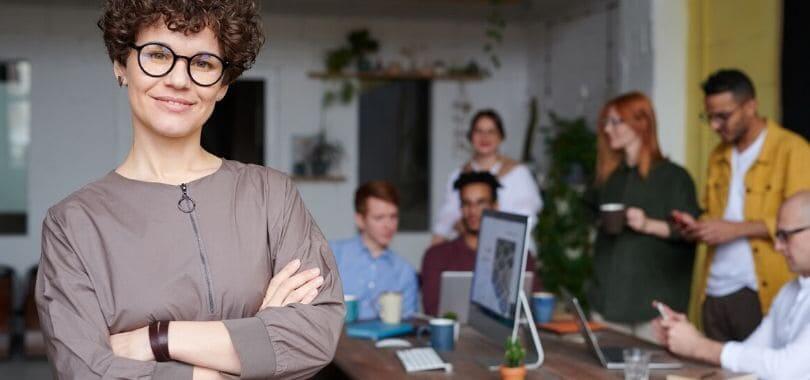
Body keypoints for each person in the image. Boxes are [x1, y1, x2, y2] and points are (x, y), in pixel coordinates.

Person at [35, 1, 343, 379]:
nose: (179, 80)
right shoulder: (73, 224)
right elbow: (83, 372)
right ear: (120, 64)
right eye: (158, 54)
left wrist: (156, 339)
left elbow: (314, 337)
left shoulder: (272, 196)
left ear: (223, 84)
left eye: (203, 63)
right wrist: (256, 346)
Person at [672, 69, 810, 342]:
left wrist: (735, 230)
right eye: (709, 117)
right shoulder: (718, 156)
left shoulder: (792, 150)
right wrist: (699, 228)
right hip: (713, 290)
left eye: (723, 116)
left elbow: (802, 221)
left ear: (751, 107)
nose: (714, 126)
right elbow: (716, 215)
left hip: (759, 291)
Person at [655, 191, 810, 380]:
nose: (777, 246)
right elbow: (749, 352)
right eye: (777, 236)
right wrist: (686, 338)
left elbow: (786, 370)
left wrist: (699, 347)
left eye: (786, 236)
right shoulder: (789, 292)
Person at [586, 92, 700, 342]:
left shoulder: (674, 177)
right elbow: (590, 215)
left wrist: (647, 224)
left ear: (642, 123)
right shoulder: (608, 178)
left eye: (616, 122)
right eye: (606, 122)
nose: (607, 129)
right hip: (607, 303)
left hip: (652, 309)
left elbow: (692, 232)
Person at [421, 171, 537, 316]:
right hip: (456, 335)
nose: (473, 211)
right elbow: (432, 311)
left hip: (504, 336)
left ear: (495, 206)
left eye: (481, 203)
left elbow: (533, 311)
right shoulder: (437, 255)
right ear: (461, 209)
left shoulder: (520, 256)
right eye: (466, 203)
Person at [431, 109, 542, 245]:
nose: (484, 137)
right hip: (469, 249)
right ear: (471, 136)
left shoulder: (518, 173)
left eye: (491, 131)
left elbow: (527, 217)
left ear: (501, 137)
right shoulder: (458, 175)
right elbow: (447, 219)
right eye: (479, 131)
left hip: (510, 246)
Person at [330, 181, 418, 320]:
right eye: (379, 217)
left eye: (393, 217)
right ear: (360, 220)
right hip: (335, 340)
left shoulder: (404, 271)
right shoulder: (333, 254)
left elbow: (409, 324)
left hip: (386, 341)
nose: (388, 225)